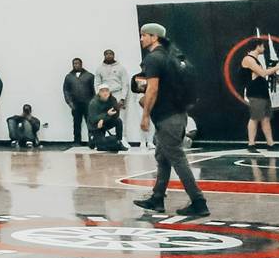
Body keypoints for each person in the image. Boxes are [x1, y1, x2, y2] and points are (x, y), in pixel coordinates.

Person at [135, 22, 207, 216]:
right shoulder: (172, 56)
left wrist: (145, 115)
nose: (141, 38)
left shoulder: (153, 58)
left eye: (144, 35)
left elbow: (153, 89)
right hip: (178, 114)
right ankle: (157, 198)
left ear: (154, 37)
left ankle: (199, 202)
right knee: (163, 157)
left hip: (166, 118)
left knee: (177, 159)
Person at [239, 43, 279, 152]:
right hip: (255, 93)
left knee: (266, 118)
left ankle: (270, 144)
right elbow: (263, 73)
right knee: (255, 117)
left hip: (263, 92)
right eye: (263, 46)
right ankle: (251, 144)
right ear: (258, 46)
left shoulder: (256, 60)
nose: (264, 49)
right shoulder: (249, 59)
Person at [93, 49, 130, 145]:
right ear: (104, 56)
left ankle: (122, 139)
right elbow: (97, 84)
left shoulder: (121, 68)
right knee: (105, 117)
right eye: (107, 54)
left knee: (120, 118)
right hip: (105, 95)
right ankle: (105, 139)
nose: (109, 55)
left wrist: (122, 98)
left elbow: (125, 84)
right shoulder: (99, 69)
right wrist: (99, 97)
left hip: (118, 94)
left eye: (110, 54)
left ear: (114, 55)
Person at [63, 58, 96, 145]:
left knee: (90, 122)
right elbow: (66, 90)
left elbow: (94, 90)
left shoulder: (90, 76)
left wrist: (93, 103)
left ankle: (92, 141)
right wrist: (69, 102)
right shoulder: (69, 77)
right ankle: (77, 141)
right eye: (74, 63)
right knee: (76, 123)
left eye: (78, 63)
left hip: (88, 103)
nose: (76, 65)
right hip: (75, 104)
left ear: (81, 64)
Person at [86, 86, 124, 152]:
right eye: (102, 91)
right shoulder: (93, 102)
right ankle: (93, 140)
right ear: (99, 93)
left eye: (107, 91)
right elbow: (93, 119)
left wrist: (103, 119)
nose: (105, 93)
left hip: (104, 122)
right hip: (95, 125)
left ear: (109, 92)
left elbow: (116, 115)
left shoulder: (112, 99)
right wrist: (107, 115)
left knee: (118, 121)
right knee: (101, 148)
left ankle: (119, 141)